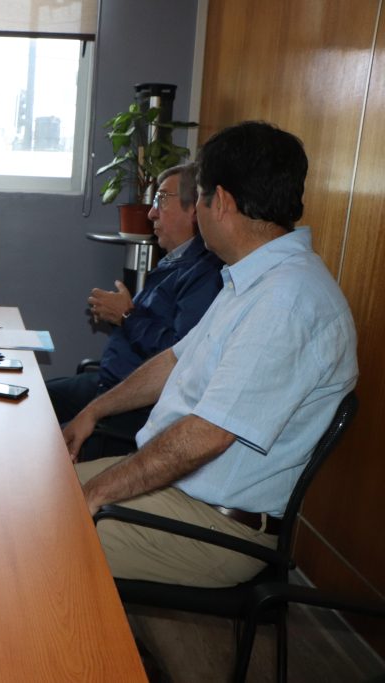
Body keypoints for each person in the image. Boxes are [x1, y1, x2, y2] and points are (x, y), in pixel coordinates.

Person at [66, 121, 358, 588]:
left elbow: (207, 436)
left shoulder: (286, 301)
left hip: (215, 527)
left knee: (39, 537)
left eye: (199, 196)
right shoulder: (253, 279)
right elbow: (175, 361)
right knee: (36, 500)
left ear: (219, 201)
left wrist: (98, 492)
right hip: (180, 492)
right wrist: (94, 411)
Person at [46, 164, 223, 460]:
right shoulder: (173, 262)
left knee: (44, 448)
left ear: (193, 209)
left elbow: (179, 355)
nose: (151, 213)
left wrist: (126, 316)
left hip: (134, 407)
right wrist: (122, 315)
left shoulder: (204, 275)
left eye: (161, 200)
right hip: (108, 383)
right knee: (31, 402)